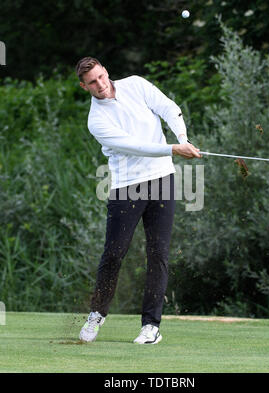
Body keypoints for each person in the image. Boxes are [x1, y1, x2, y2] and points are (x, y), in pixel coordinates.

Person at [75, 57, 201, 344]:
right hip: (126, 187)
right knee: (114, 254)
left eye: (101, 77)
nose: (100, 84)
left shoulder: (136, 85)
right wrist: (173, 148)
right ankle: (97, 314)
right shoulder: (96, 120)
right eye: (92, 82)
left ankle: (151, 326)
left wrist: (183, 137)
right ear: (84, 87)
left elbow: (169, 108)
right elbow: (137, 147)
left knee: (158, 254)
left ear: (106, 71)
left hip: (162, 180)